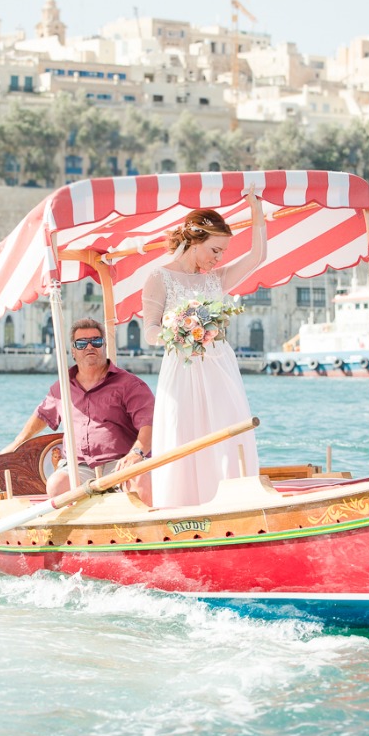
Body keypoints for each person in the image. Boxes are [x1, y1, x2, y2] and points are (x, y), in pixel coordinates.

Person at [142, 196, 267, 508]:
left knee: (227, 434)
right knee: (184, 434)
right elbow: (150, 332)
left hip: (220, 367)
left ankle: (231, 504)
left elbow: (258, 255)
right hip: (182, 368)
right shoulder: (159, 277)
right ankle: (182, 506)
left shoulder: (217, 279)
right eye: (215, 250)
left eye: (223, 252)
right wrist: (181, 332)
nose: (218, 258)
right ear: (194, 240)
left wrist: (256, 213)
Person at [0, 318, 154, 502]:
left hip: (120, 462)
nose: (90, 347)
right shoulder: (62, 387)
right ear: (73, 351)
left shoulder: (130, 384)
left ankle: (141, 529)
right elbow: (42, 416)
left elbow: (149, 423)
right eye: (82, 343)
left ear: (104, 346)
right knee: (56, 485)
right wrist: (18, 442)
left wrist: (136, 453)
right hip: (78, 466)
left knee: (140, 482)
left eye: (96, 341)